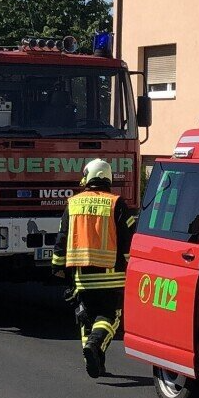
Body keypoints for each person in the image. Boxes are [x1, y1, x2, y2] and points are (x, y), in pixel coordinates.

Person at [52, 159, 136, 378]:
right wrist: (131, 264)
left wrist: (57, 266)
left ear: (87, 177)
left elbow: (62, 236)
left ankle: (96, 361)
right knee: (110, 317)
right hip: (112, 275)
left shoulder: (73, 203)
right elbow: (129, 238)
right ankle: (96, 345)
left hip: (81, 277)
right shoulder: (116, 203)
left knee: (87, 318)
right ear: (108, 178)